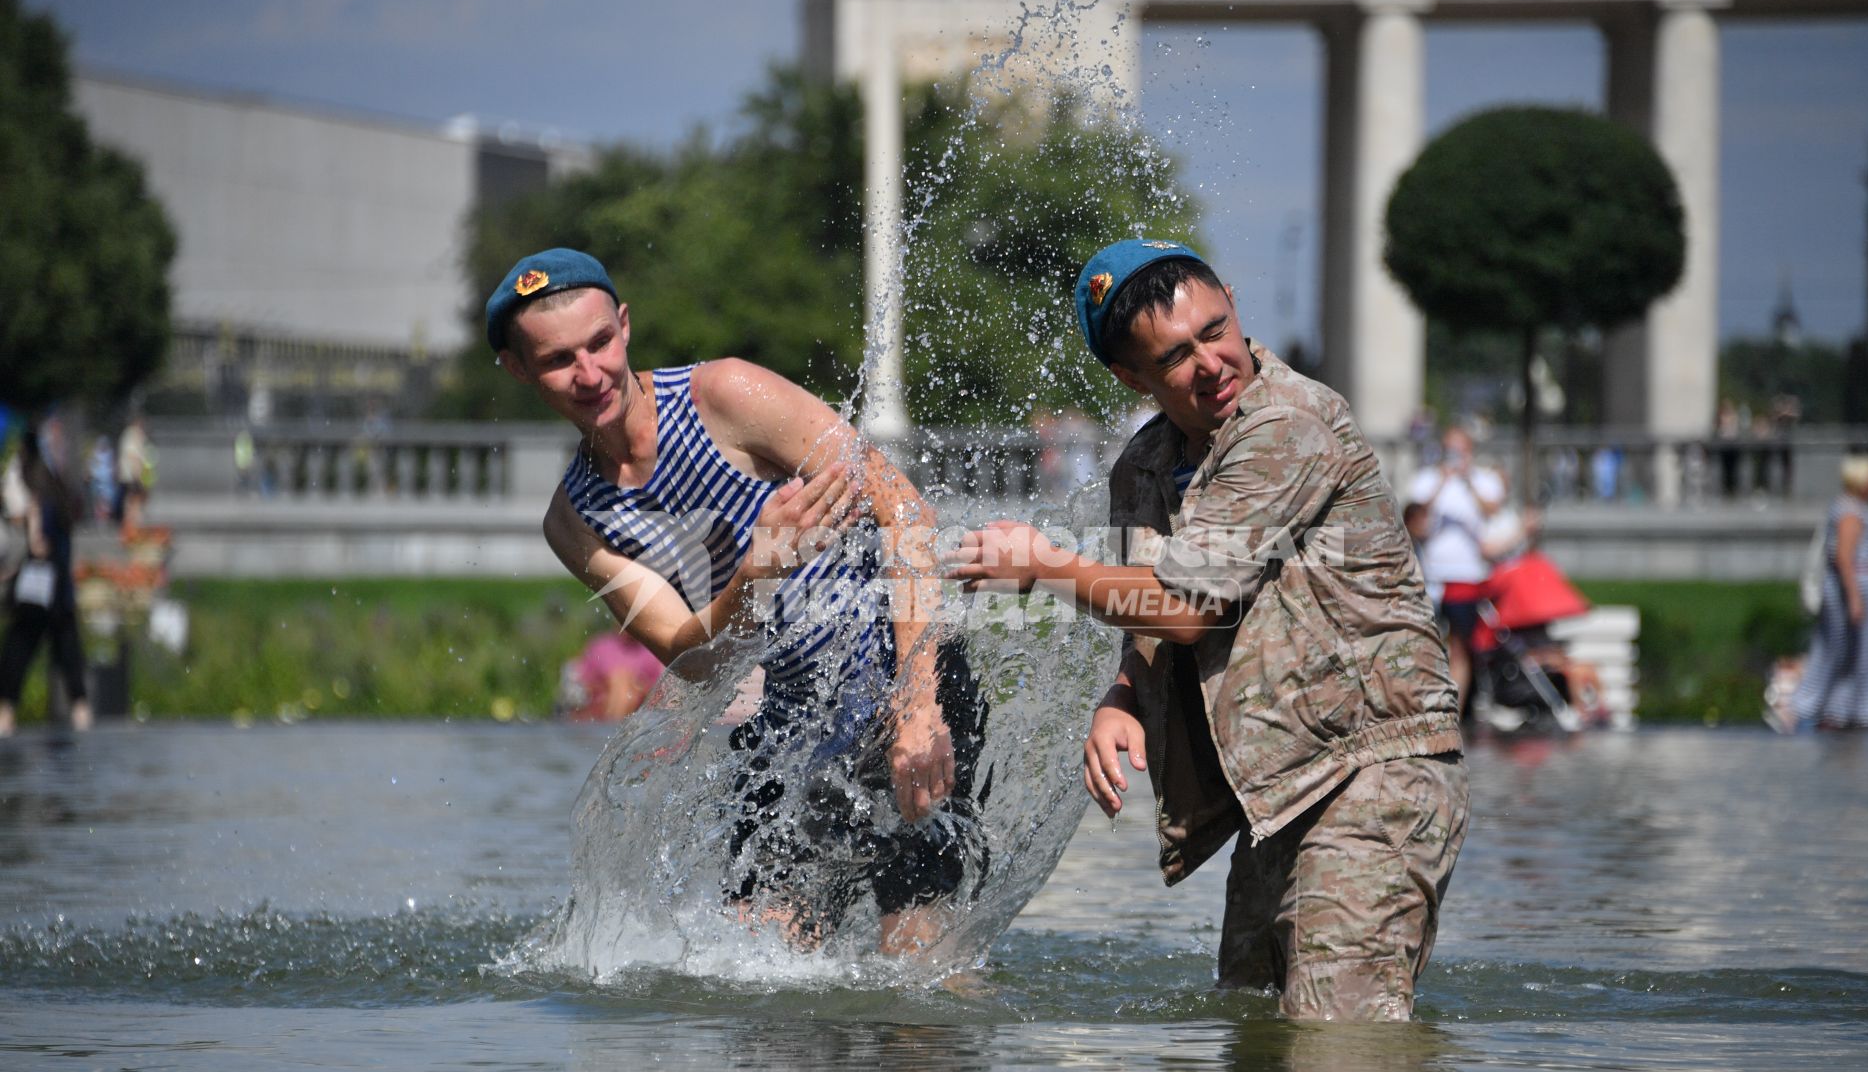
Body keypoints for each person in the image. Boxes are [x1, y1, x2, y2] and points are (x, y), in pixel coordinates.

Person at [944, 240, 1466, 1020]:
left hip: (1373, 770)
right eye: (1176, 356)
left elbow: (1188, 607)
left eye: (1215, 329)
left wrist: (1043, 567)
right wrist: (1124, 690)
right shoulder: (1144, 468)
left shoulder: (1290, 424)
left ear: (1231, 296)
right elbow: (1149, 608)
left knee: (1339, 1040)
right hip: (1276, 789)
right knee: (1252, 1030)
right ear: (1132, 379)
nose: (1211, 363)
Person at [487, 248, 990, 953]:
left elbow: (908, 515)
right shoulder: (575, 522)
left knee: (917, 961)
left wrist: (917, 704)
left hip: (905, 672)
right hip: (792, 724)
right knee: (766, 977)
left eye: (600, 342)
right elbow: (694, 662)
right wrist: (755, 572)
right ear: (517, 369)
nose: (591, 373)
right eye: (558, 359)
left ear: (625, 325)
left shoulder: (723, 395)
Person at [0, 417, 92, 737]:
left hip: (38, 586)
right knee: (68, 649)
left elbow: (38, 544)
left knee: (19, 647)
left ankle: (6, 713)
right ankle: (82, 713)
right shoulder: (57, 490)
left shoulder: (37, 496)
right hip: (60, 586)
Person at [1406, 427, 1505, 711]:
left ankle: (1455, 713)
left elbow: (1491, 510)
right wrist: (1441, 483)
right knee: (1428, 643)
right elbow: (1414, 519)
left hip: (1466, 576)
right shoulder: (1427, 479)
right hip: (1432, 575)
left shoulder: (1482, 480)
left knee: (1461, 646)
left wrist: (1467, 480)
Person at [1790, 455, 1868, 730]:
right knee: (1839, 651)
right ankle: (1826, 709)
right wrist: (1855, 598)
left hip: (1858, 591)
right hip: (1853, 592)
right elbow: (1845, 557)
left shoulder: (1855, 509)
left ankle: (1846, 709)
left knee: (1854, 653)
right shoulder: (1850, 511)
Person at [115, 415, 152, 535]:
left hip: (129, 474)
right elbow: (133, 456)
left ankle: (131, 528)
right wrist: (137, 475)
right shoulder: (133, 434)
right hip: (132, 475)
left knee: (132, 501)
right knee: (133, 502)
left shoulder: (130, 434)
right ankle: (131, 529)